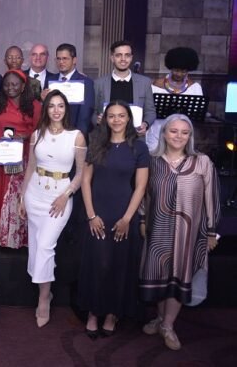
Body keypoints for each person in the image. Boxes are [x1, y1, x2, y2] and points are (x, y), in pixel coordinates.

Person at [139, 114, 220, 351]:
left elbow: (211, 197)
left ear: (190, 136)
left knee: (179, 275)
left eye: (185, 132)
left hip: (188, 232)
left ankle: (168, 326)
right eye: (173, 131)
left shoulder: (202, 162)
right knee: (160, 275)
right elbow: (144, 194)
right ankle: (160, 318)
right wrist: (142, 219)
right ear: (164, 133)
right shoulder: (153, 161)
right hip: (158, 229)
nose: (179, 136)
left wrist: (211, 231)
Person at [77, 100, 149, 339]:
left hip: (123, 213)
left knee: (119, 265)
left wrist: (127, 218)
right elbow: (85, 180)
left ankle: (111, 314)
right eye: (111, 116)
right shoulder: (96, 143)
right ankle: (93, 313)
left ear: (128, 119)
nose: (116, 120)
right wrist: (91, 215)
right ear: (105, 119)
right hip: (97, 212)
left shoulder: (139, 148)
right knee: (98, 264)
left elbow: (140, 187)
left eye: (121, 115)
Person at [19, 91, 86, 328]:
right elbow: (30, 167)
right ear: (46, 109)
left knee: (46, 245)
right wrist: (22, 197)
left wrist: (66, 195)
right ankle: (45, 290)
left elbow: (81, 173)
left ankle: (44, 298)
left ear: (66, 109)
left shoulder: (76, 136)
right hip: (34, 193)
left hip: (59, 196)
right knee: (36, 247)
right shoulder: (37, 134)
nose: (56, 110)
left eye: (61, 106)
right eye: (52, 106)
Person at [0, 70, 41, 248]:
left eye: (14, 84)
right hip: (0, 159)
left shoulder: (35, 106)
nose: (10, 88)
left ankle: (20, 239)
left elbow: (40, 130)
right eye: (6, 84)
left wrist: (26, 135)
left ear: (23, 86)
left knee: (20, 196)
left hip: (24, 159)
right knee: (0, 196)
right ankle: (0, 237)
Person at [93, 40, 156, 136]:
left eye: (127, 55)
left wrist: (145, 124)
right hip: (106, 136)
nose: (123, 59)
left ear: (131, 58)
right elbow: (92, 112)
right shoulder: (99, 83)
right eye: (118, 55)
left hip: (135, 136)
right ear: (112, 58)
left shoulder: (145, 82)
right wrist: (97, 120)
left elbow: (150, 111)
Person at [146, 47, 203, 151]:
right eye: (176, 70)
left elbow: (197, 112)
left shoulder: (195, 88)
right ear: (170, 67)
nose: (179, 74)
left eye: (183, 71)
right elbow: (148, 109)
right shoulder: (156, 85)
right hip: (157, 133)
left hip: (181, 137)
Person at [44, 43, 94, 137]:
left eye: (65, 58)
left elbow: (85, 115)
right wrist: (44, 100)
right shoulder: (50, 80)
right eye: (58, 59)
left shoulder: (86, 82)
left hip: (75, 135)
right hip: (52, 134)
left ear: (74, 60)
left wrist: (78, 137)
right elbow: (45, 111)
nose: (61, 62)